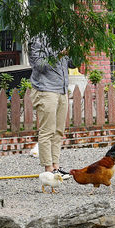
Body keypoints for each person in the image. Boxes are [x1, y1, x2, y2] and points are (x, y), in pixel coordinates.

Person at [29, 34, 75, 179]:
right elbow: (38, 65)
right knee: (47, 131)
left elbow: (72, 64)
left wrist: (77, 52)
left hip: (61, 90)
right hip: (45, 89)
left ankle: (56, 166)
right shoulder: (37, 39)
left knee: (58, 131)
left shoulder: (63, 37)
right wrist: (59, 54)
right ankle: (48, 169)